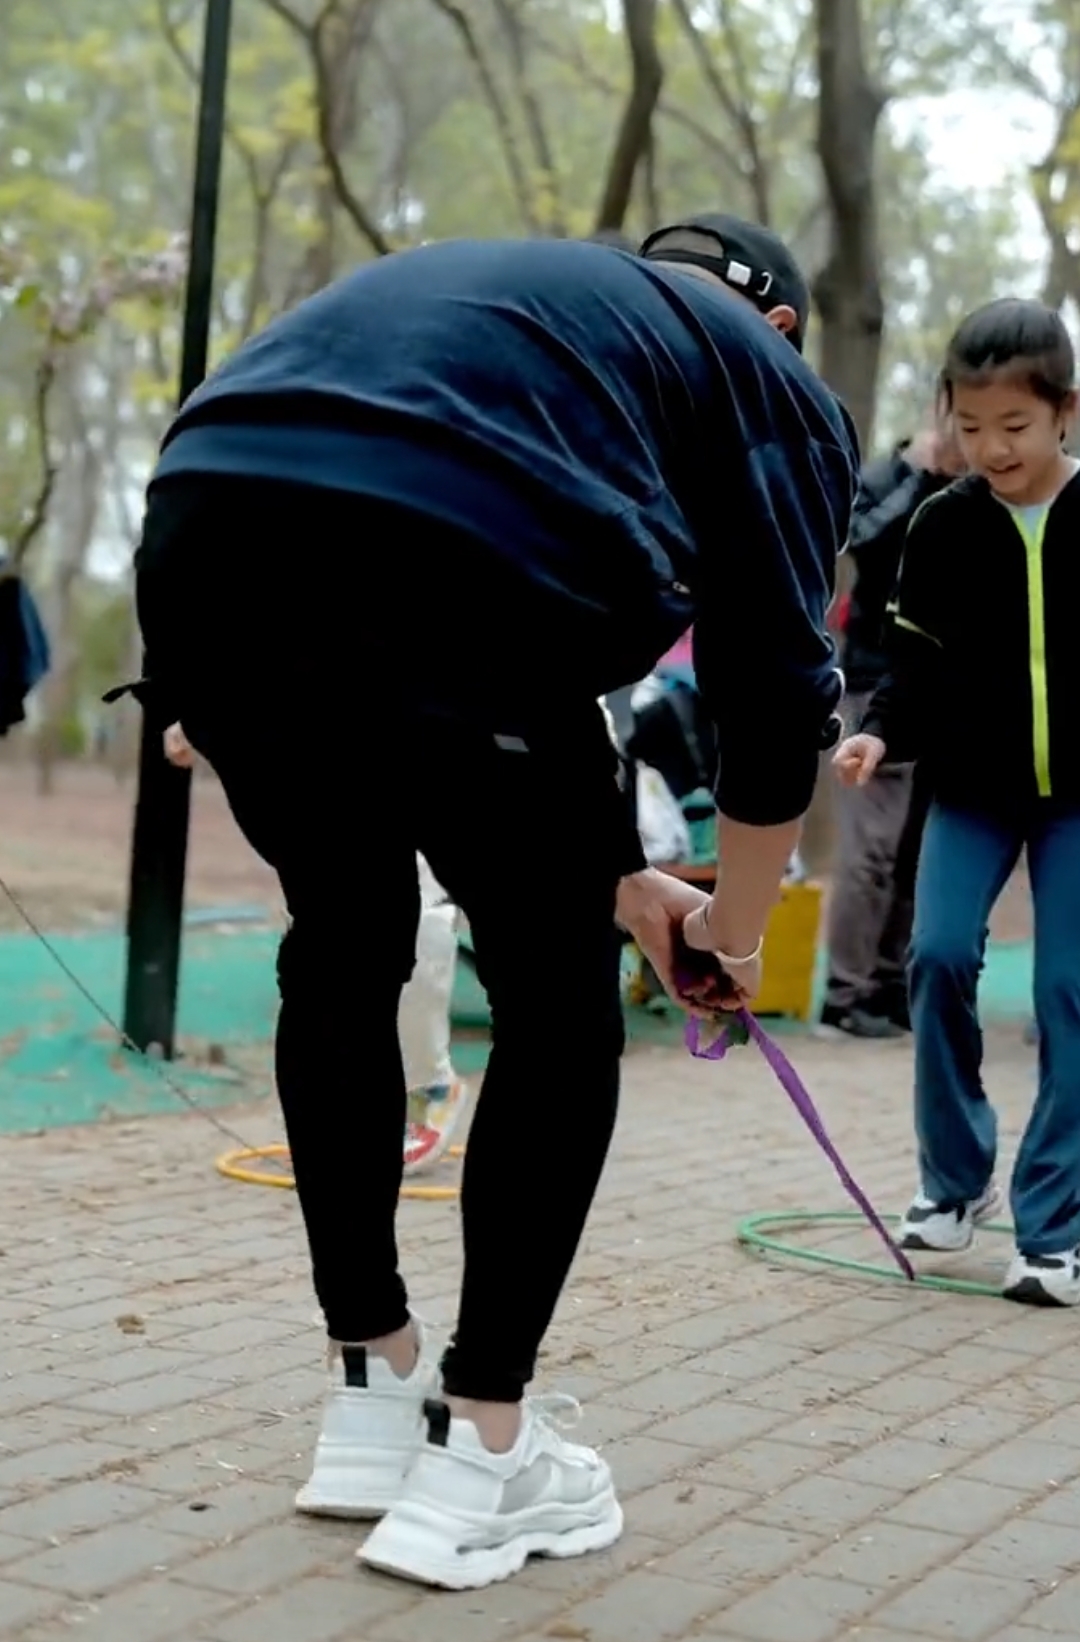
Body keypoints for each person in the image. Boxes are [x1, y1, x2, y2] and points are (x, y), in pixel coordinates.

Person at [123, 217, 856, 1589]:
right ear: (786, 330)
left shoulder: (540, 308)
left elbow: (492, 745)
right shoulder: (769, 385)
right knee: (558, 1009)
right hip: (447, 542)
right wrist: (732, 932)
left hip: (209, 520)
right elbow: (774, 701)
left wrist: (623, 882)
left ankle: (368, 1391)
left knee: (343, 948)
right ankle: (485, 1451)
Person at [834, 297, 1080, 1306]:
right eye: (971, 427)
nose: (992, 448)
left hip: (1077, 805)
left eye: (1014, 427)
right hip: (973, 793)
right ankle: (954, 1178)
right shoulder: (942, 523)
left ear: (1066, 410)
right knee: (936, 958)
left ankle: (1055, 1229)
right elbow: (912, 662)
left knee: (1068, 992)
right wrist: (877, 730)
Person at [821, 408, 962, 1039]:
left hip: (949, 694)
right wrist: (916, 478)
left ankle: (888, 985)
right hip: (878, 682)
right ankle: (843, 994)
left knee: (915, 851)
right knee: (870, 849)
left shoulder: (979, 487)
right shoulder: (886, 475)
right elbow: (863, 548)